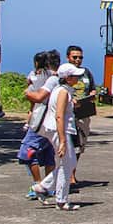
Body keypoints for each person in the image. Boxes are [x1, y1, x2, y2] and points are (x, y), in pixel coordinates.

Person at [32, 62, 82, 210]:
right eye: (75, 76)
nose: (78, 78)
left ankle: (43, 187)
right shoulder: (63, 92)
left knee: (68, 163)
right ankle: (61, 200)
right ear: (68, 78)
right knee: (66, 164)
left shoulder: (61, 90)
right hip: (59, 130)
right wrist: (62, 140)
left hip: (58, 130)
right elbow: (59, 116)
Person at [18, 51, 56, 198]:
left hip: (39, 118)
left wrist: (28, 93)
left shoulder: (35, 75)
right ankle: (49, 186)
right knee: (49, 153)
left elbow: (34, 96)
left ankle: (38, 184)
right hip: (51, 120)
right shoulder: (54, 76)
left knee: (27, 151)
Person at [66, 44, 96, 183]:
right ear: (68, 58)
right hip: (69, 113)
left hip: (84, 112)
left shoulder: (86, 72)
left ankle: (73, 172)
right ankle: (68, 174)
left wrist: (92, 95)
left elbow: (92, 89)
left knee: (80, 145)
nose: (78, 60)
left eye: (80, 57)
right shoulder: (64, 73)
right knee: (69, 145)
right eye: (75, 57)